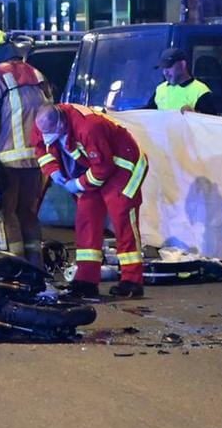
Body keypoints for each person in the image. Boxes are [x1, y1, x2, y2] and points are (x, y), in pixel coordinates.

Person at [35, 102, 148, 299]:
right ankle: (86, 280)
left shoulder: (89, 127)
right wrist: (53, 172)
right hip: (92, 168)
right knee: (86, 220)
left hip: (123, 166)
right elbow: (41, 149)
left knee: (122, 218)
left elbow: (103, 168)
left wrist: (77, 185)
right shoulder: (45, 122)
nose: (48, 138)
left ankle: (132, 280)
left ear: (61, 125)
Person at [0, 30, 48, 262]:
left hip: (6, 160)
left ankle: (15, 269)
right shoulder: (36, 73)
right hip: (37, 159)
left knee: (5, 214)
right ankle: (37, 268)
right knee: (29, 214)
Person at [146, 47, 222, 114]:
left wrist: (194, 115)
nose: (165, 72)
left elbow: (210, 124)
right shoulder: (160, 89)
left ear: (182, 64)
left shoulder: (201, 91)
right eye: (163, 68)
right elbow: (146, 114)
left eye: (169, 66)